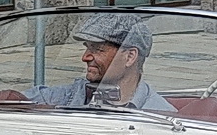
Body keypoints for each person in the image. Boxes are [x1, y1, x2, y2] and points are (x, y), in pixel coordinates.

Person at [21, 12, 175, 111]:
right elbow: (17, 100)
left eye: (98, 49)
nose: (85, 57)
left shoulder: (160, 114)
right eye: (87, 48)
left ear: (129, 57)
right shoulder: (74, 94)